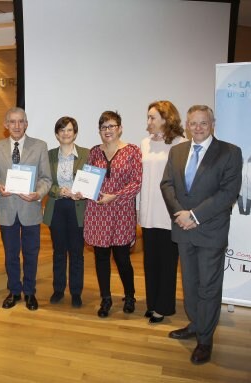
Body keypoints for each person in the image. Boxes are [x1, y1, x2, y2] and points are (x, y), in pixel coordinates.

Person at [161, 105, 242, 365]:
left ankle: (205, 340)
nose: (197, 128)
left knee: (209, 287)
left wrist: (194, 216)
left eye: (203, 123)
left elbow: (228, 193)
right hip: (183, 229)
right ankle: (196, 324)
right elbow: (167, 185)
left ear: (212, 123)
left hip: (210, 231)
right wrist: (180, 214)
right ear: (186, 124)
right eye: (193, 123)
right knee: (191, 284)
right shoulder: (177, 151)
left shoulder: (229, 152)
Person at [0, 107, 52, 311]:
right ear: (5, 125)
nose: (16, 126)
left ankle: (30, 292)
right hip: (7, 209)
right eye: (12, 122)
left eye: (20, 121)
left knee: (31, 254)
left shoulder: (40, 146)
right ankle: (14, 291)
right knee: (11, 254)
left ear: (26, 124)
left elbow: (46, 179)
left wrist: (38, 194)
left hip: (30, 208)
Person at [83, 110, 142, 318]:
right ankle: (106, 298)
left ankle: (130, 295)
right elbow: (88, 180)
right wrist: (82, 190)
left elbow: (137, 182)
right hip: (98, 210)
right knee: (101, 257)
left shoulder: (132, 151)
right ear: (99, 131)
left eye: (111, 126)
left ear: (120, 128)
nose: (107, 130)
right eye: (103, 127)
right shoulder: (94, 152)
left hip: (121, 211)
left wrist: (115, 196)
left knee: (122, 257)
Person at [139, 101, 187, 324]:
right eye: (148, 117)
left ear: (166, 119)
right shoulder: (145, 143)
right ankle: (152, 303)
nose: (148, 122)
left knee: (168, 262)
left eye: (152, 117)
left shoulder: (180, 144)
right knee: (150, 261)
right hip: (148, 211)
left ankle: (164, 306)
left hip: (169, 213)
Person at [43, 116, 89, 308]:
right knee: (59, 251)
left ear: (75, 133)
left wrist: (83, 192)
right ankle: (59, 289)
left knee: (77, 252)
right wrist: (57, 190)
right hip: (57, 206)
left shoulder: (87, 154)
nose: (65, 133)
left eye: (69, 130)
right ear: (56, 134)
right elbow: (44, 181)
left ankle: (76, 292)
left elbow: (92, 180)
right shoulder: (49, 155)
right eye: (62, 130)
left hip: (78, 207)